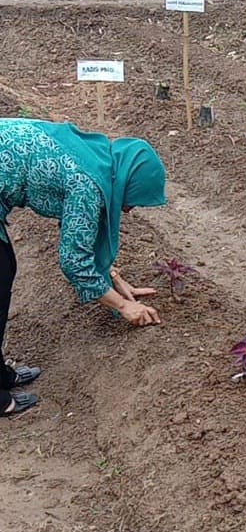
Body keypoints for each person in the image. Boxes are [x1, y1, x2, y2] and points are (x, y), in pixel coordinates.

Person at [0, 119, 166, 417]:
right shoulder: (88, 183)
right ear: (129, 182)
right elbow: (73, 261)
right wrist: (125, 307)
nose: (130, 209)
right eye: (135, 200)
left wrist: (114, 277)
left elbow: (79, 232)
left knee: (4, 268)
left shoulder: (98, 158)